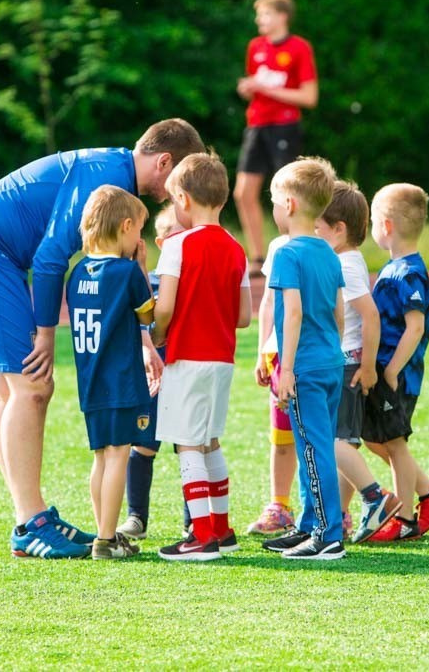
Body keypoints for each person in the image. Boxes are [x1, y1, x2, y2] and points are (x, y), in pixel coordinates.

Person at [0, 118, 205, 559]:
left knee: (8, 392)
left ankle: (30, 515)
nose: (175, 194)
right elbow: (48, 259)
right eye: (176, 180)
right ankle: (31, 521)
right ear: (164, 161)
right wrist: (46, 334)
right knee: (34, 386)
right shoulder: (106, 175)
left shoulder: (111, 169)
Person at [152, 153, 252, 562]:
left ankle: (203, 536)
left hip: (187, 355)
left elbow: (165, 308)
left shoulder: (177, 245)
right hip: (221, 358)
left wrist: (155, 332)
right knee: (210, 441)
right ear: (223, 200)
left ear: (182, 198)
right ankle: (222, 528)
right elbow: (244, 316)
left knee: (187, 445)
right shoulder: (237, 249)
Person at [259, 157, 348, 561]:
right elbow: (339, 311)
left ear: (290, 205)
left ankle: (328, 535)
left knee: (313, 449)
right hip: (329, 361)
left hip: (306, 367)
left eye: (275, 201)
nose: (273, 209)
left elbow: (291, 313)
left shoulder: (287, 254)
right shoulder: (329, 253)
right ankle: (310, 525)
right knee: (315, 443)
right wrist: (334, 348)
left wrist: (287, 368)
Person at [362, 183, 429, 542]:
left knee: (394, 442)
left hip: (397, 373)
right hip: (386, 368)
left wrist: (392, 369)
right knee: (375, 440)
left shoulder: (408, 273)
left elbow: (414, 327)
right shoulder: (394, 267)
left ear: (386, 226)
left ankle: (402, 518)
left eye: (372, 221)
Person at [65, 186, 152, 560]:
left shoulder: (77, 272)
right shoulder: (126, 271)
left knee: (101, 456)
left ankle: (104, 530)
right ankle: (106, 538)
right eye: (138, 232)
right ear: (125, 226)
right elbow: (148, 316)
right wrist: (143, 269)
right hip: (120, 380)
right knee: (118, 454)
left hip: (91, 381)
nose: (139, 240)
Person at [314, 181, 402, 543]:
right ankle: (343, 515)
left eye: (319, 227)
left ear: (339, 230)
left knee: (332, 441)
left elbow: (370, 316)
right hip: (350, 363)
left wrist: (367, 366)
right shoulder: (348, 260)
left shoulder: (344, 265)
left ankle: (375, 497)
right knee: (345, 444)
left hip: (348, 365)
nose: (315, 233)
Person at [116, 205, 193, 541]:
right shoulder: (147, 281)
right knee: (143, 446)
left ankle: (196, 517)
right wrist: (142, 269)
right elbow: (141, 320)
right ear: (162, 242)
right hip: (151, 379)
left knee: (190, 446)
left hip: (189, 375)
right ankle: (137, 517)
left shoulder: (194, 283)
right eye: (179, 235)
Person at [234, 0, 318, 276]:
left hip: (285, 125)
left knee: (289, 194)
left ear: (282, 16)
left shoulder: (299, 47)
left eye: (265, 14)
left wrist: (266, 89)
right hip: (256, 124)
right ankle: (257, 258)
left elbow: (309, 97)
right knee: (243, 193)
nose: (259, 20)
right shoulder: (255, 46)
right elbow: (257, 86)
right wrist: (249, 88)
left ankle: (296, 251)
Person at [247, 228, 298, 537]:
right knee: (281, 435)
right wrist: (262, 349)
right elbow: (268, 301)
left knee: (322, 436)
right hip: (278, 355)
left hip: (311, 354)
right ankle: (280, 505)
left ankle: (334, 510)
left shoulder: (323, 247)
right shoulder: (277, 246)